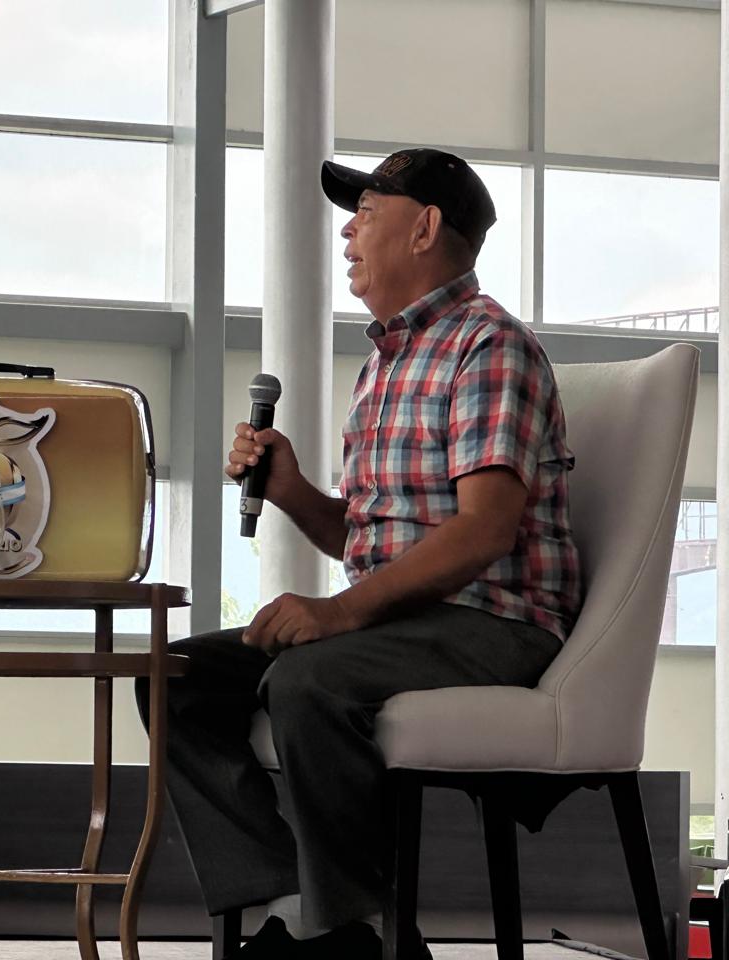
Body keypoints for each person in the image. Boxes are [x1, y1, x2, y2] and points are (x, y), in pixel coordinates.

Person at [137, 149, 582, 960]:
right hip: (407, 618)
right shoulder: (386, 364)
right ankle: (291, 906)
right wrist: (292, 491)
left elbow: (483, 532)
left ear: (425, 228)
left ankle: (363, 932)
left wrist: (338, 613)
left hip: (495, 622)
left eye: (367, 213)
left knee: (308, 679)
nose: (347, 233)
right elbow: (372, 543)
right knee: (174, 678)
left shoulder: (489, 347)